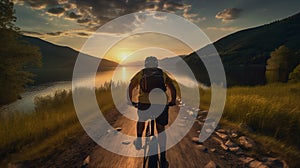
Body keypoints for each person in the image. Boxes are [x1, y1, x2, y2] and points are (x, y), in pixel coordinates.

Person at [128, 56, 177, 168]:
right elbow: (172, 88)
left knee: (142, 119)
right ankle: (163, 158)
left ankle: (139, 140)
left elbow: (131, 86)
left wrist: (130, 100)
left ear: (146, 64)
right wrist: (172, 101)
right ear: (156, 64)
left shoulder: (141, 73)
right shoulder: (162, 74)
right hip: (161, 104)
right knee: (161, 129)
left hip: (144, 103)